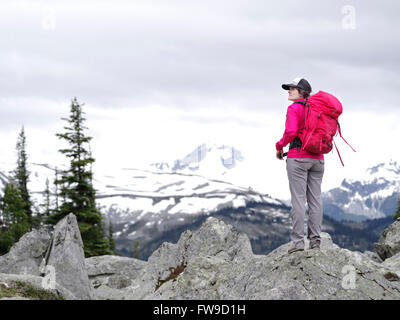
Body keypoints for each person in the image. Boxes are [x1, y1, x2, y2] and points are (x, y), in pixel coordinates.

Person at [275, 77, 325, 254]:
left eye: (293, 88)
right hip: (318, 159)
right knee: (315, 200)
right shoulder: (317, 109)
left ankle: (297, 243)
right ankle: (315, 242)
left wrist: (279, 146)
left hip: (298, 158)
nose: (289, 90)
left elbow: (291, 131)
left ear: (302, 91)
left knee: (298, 200)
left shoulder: (294, 108)